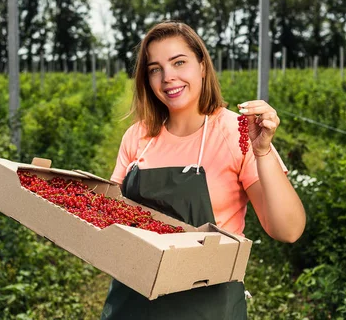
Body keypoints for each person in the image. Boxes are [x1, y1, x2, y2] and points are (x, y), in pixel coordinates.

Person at [100, 21, 306, 320]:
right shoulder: (138, 137)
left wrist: (261, 152)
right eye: (155, 68)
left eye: (179, 62)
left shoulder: (237, 132)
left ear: (202, 66)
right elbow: (109, 219)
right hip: (133, 303)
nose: (168, 77)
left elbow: (288, 230)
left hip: (209, 308)